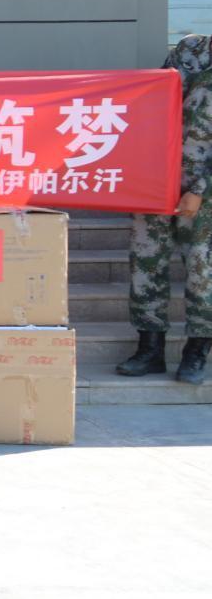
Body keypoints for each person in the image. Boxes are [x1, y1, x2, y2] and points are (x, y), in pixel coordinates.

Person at [118, 34, 212, 385]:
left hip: (203, 193)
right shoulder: (190, 48)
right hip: (157, 182)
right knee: (146, 265)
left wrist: (199, 189)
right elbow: (154, 99)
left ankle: (196, 351)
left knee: (202, 273)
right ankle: (149, 349)